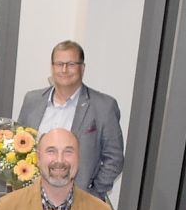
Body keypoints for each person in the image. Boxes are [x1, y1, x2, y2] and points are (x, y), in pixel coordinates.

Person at [17, 40, 124, 199]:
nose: (64, 69)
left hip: (78, 201)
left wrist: (92, 194)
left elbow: (114, 159)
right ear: (52, 67)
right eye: (59, 64)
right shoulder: (32, 100)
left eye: (71, 64)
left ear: (83, 68)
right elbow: (19, 146)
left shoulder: (103, 106)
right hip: (33, 197)